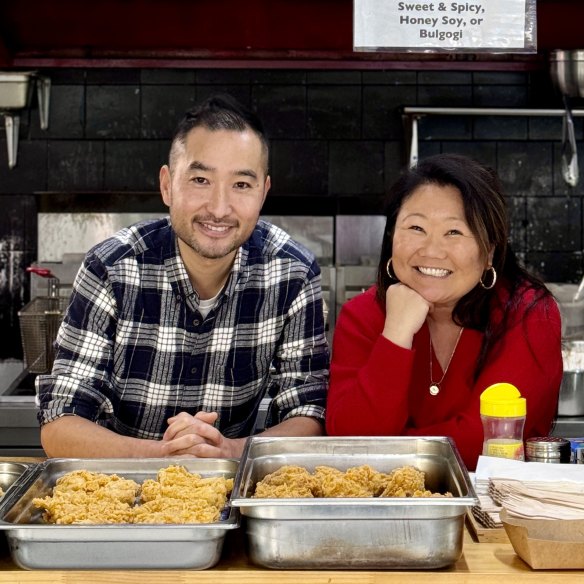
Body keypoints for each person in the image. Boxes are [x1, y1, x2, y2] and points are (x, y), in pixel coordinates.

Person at [36, 94, 329, 459]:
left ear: (263, 192)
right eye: (200, 179)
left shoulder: (292, 272)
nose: (220, 209)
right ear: (167, 185)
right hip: (118, 491)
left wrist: (229, 451)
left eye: (241, 185)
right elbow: (60, 423)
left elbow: (310, 413)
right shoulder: (111, 268)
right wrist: (164, 456)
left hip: (228, 492)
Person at [325, 153, 562, 471]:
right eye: (416, 228)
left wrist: (391, 447)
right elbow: (351, 444)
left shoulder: (528, 314)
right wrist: (396, 333)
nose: (432, 251)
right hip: (385, 512)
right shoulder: (362, 315)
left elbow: (486, 442)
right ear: (392, 236)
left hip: (499, 513)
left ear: (489, 251)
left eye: (454, 232)